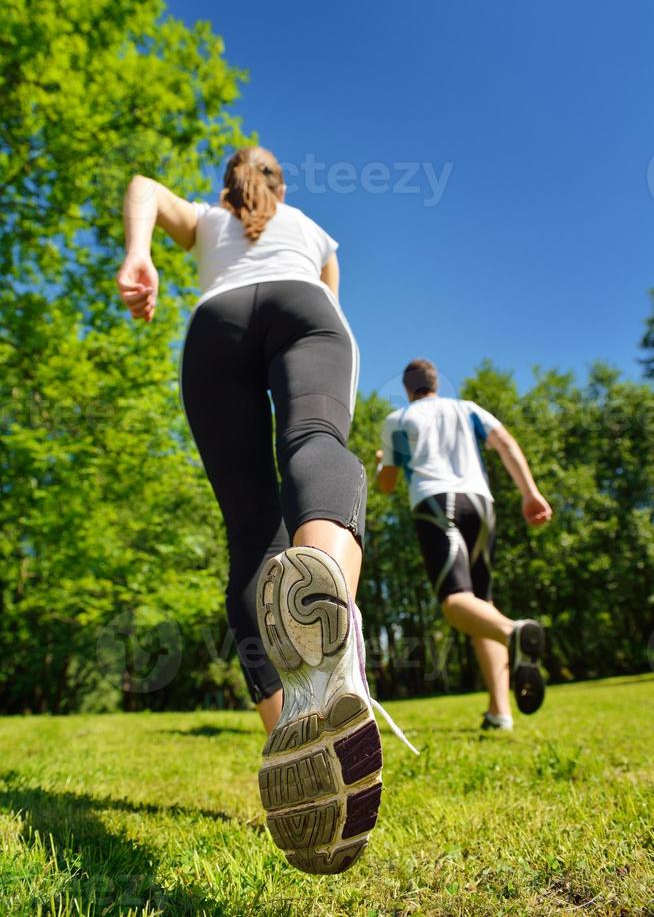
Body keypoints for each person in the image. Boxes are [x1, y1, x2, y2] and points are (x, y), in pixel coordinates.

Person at [116, 147, 384, 875]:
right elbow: (333, 291)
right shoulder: (310, 228)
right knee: (314, 440)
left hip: (215, 326)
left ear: (229, 182)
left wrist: (141, 254)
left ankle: (297, 743)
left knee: (249, 532)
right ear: (280, 184)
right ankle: (323, 583)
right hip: (305, 308)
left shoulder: (206, 220)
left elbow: (142, 184)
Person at [376, 358, 553, 730]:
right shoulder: (467, 409)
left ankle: (514, 633)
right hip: (481, 503)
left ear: (408, 389)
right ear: (436, 383)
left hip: (436, 503)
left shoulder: (398, 420)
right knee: (480, 607)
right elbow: (505, 443)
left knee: (456, 604)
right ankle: (499, 713)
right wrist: (529, 493)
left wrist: (381, 464)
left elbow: (387, 483)